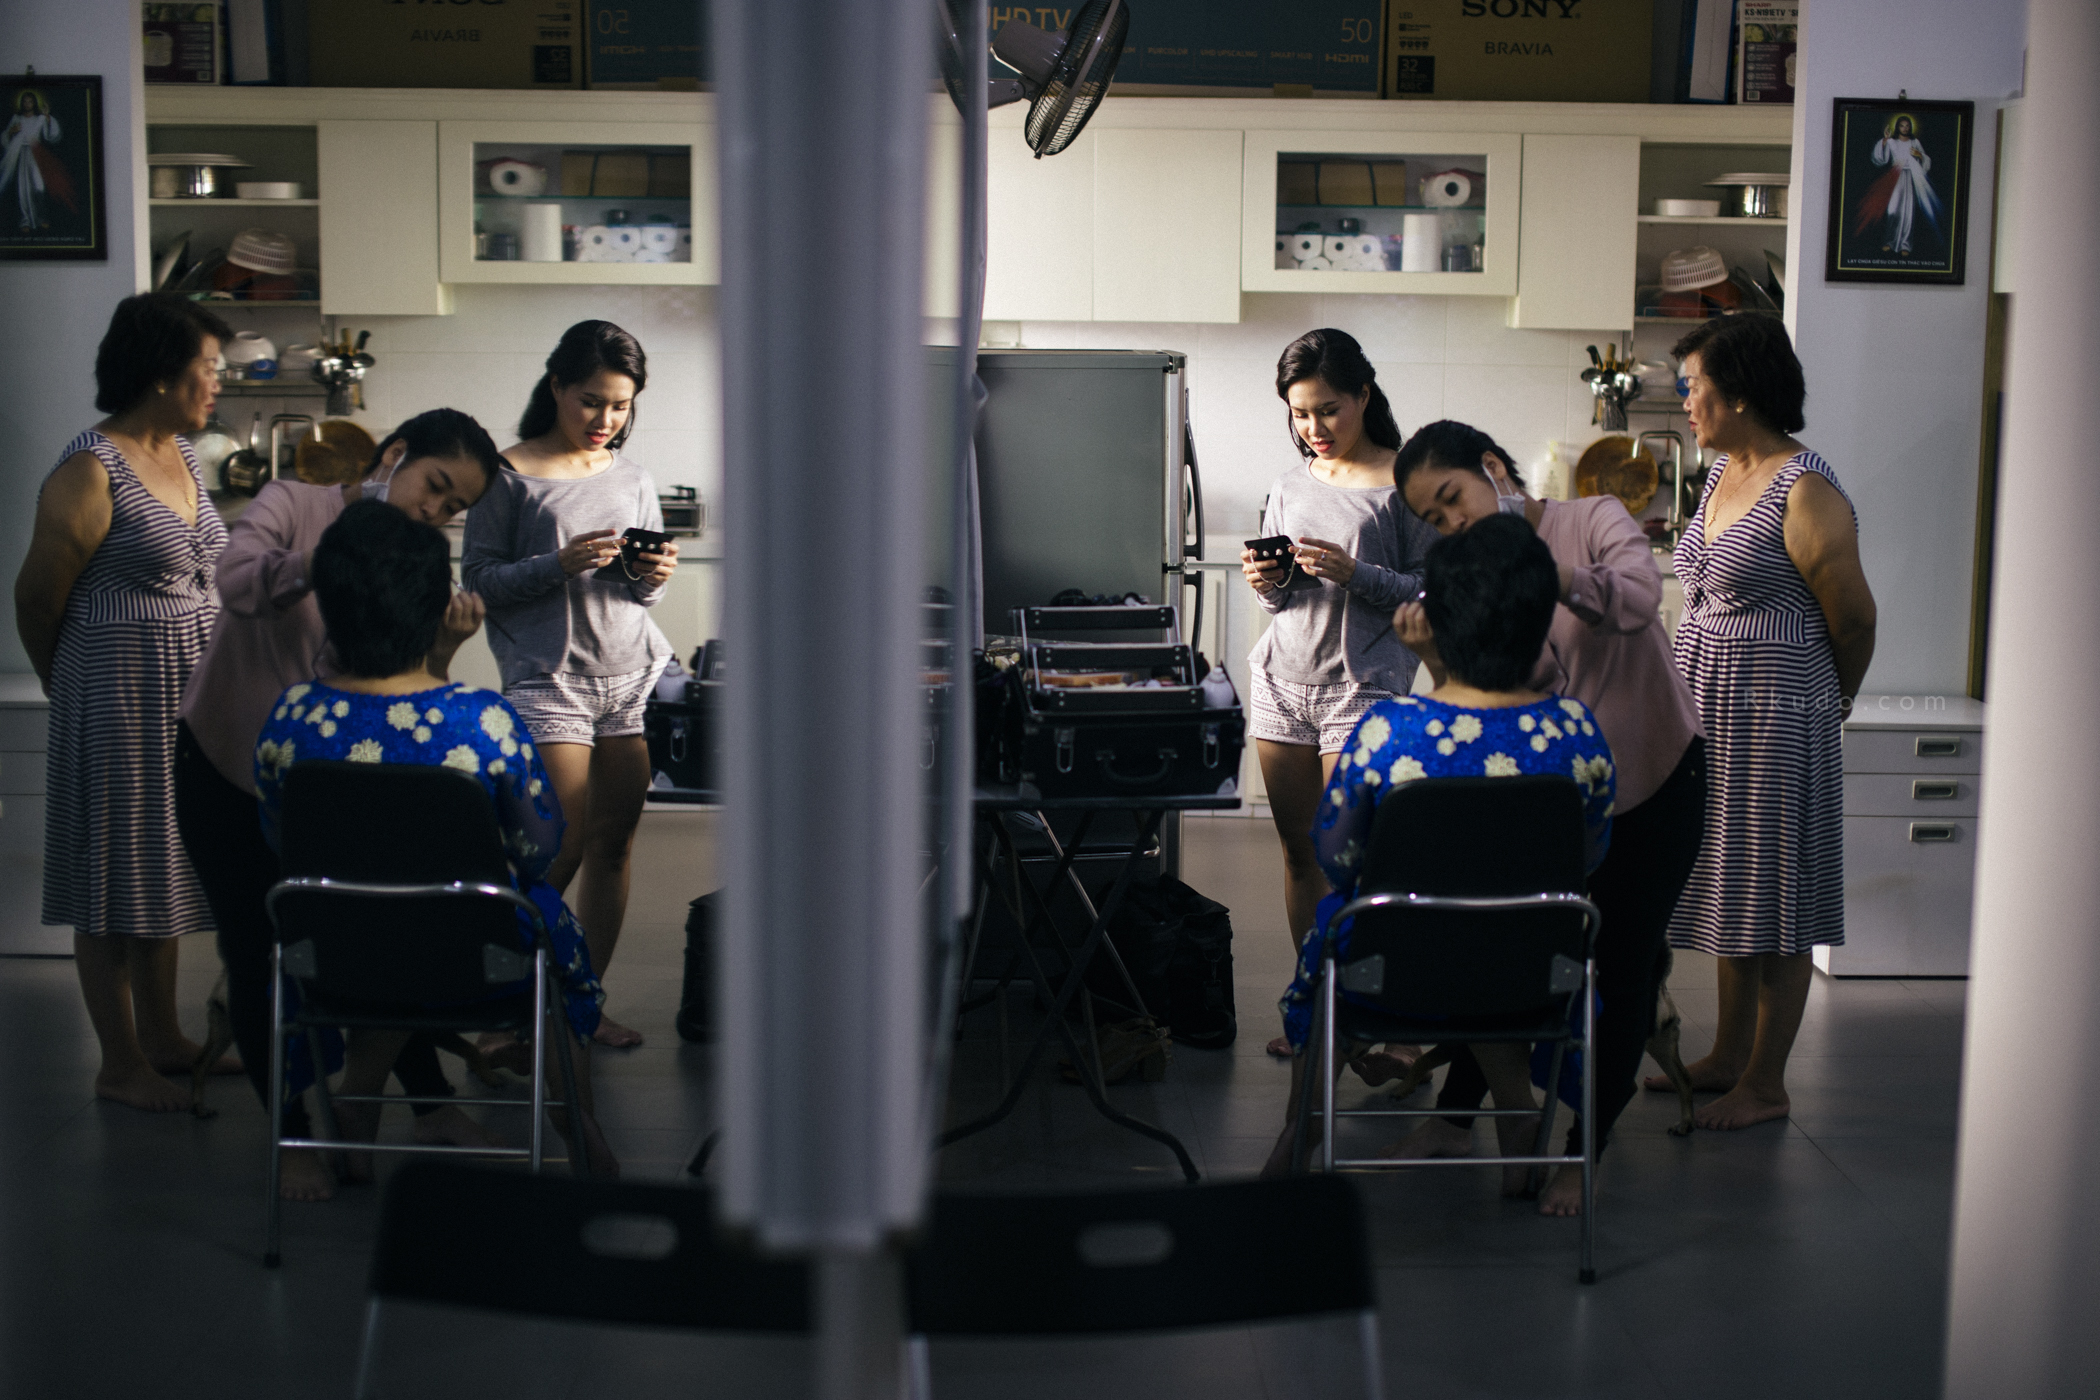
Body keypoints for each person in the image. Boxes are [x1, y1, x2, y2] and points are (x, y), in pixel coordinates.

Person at [174, 409, 506, 1201]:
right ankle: (292, 1134)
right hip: (227, 763)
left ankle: (429, 1107)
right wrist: (331, 560)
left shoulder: (417, 560)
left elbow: (400, 691)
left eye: (455, 507)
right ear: (395, 455)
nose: (435, 511)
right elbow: (235, 582)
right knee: (259, 953)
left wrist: (444, 647)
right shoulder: (293, 502)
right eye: (435, 486)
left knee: (372, 933)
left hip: (333, 785)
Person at [1393, 420, 1706, 1216]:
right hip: (1557, 796)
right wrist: (1433, 653)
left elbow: (1636, 601)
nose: (1452, 522)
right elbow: (1499, 689)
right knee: (1512, 947)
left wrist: (1540, 573)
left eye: (1453, 498)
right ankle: (1456, 1119)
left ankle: (1582, 1149)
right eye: (1433, 519)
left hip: (1656, 777)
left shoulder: (1594, 516)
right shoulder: (1478, 574)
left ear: (1493, 469)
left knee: (1624, 966)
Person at [253, 500, 616, 1176]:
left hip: (333, 959)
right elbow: (539, 849)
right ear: (438, 606)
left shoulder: (291, 716)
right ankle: (575, 1114)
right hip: (478, 961)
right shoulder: (480, 720)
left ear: (328, 604)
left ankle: (356, 1101)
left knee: (385, 913)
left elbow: (280, 837)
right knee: (516, 920)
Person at [1263, 516, 1616, 1180]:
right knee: (1493, 932)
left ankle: (1298, 1136)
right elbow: (1589, 855)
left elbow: (1336, 857)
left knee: (1360, 935)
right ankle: (1518, 1124)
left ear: (1435, 618)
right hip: (1535, 971)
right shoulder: (1577, 731)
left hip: (1391, 970)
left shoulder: (1389, 731)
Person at [1654, 315, 1876, 1131]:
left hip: (1780, 710)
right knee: (1732, 877)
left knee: (1778, 888)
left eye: (1694, 387)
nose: (1686, 403)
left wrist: (1830, 703)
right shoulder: (1721, 472)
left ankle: (1766, 1083)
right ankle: (1727, 1056)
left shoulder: (1805, 488)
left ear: (1741, 392)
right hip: (1709, 704)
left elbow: (1854, 618)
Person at [13, 293, 234, 1113]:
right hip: (114, 690)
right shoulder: (89, 469)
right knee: (111, 870)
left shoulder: (181, 454)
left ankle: (165, 1038)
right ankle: (119, 1063)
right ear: (161, 373)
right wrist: (66, 683)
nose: (218, 383)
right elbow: (37, 598)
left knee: (159, 860)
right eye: (209, 368)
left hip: (183, 692)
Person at [463, 320, 677, 1050]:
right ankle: (505, 1012)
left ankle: (582, 1004)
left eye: (620, 405)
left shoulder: (632, 477)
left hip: (629, 676)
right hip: (548, 680)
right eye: (591, 401)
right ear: (556, 386)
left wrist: (652, 575)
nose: (605, 419)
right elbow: (479, 582)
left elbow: (641, 595)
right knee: (557, 850)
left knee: (613, 846)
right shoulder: (505, 474)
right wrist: (558, 564)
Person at [1239, 328, 1437, 1059]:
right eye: (1299, 413)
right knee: (1300, 855)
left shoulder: (1405, 483)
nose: (1313, 428)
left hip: (1364, 689)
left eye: (1327, 409)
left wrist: (1358, 575)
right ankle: (1316, 1013)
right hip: (1281, 683)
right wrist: (1268, 584)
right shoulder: (1290, 484)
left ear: (1362, 395)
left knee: (1361, 863)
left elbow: (1431, 591)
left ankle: (1387, 1021)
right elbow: (1283, 601)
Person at [1857, 113, 1941, 257]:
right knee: (1893, 210)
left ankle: (1905, 244)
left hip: (1909, 177)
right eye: (1902, 126)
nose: (1905, 128)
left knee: (1908, 212)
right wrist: (1885, 140)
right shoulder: (1892, 142)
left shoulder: (1915, 142)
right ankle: (1889, 241)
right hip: (1894, 177)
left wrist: (1919, 155)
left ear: (1910, 127)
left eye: (1907, 126)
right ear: (1898, 127)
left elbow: (1926, 161)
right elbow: (1880, 159)